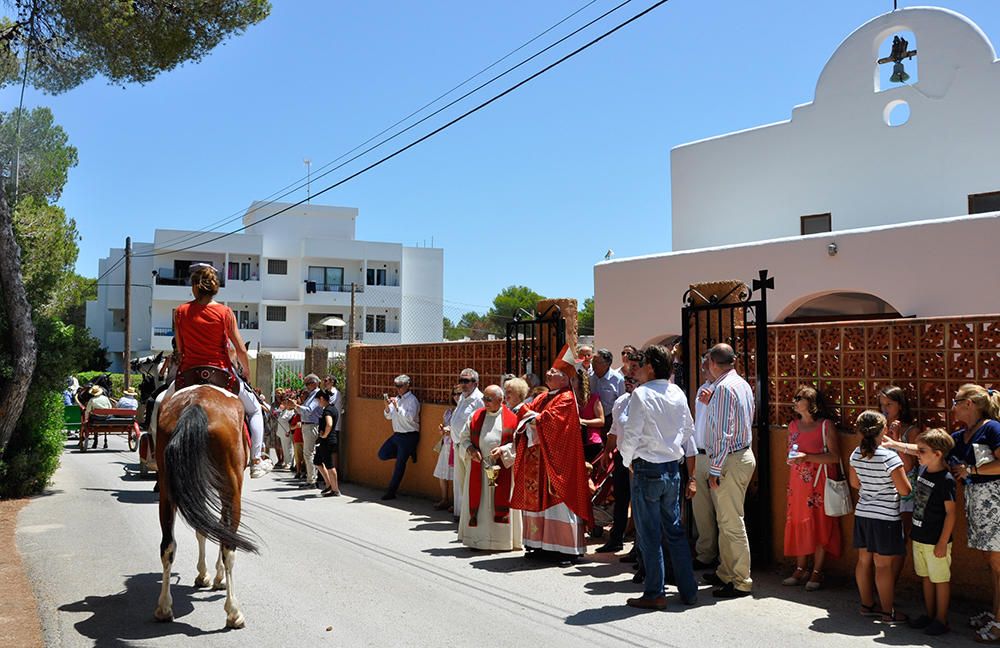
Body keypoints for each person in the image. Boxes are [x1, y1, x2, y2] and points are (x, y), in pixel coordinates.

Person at [162, 264, 271, 478]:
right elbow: (240, 349)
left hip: (189, 374)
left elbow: (181, 349)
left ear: (195, 287)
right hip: (221, 374)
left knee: (161, 407)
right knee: (255, 410)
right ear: (214, 288)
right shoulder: (225, 312)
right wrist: (246, 372)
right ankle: (257, 459)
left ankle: (159, 458)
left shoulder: (181, 312)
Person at [619, 344, 698, 610]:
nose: (636, 369)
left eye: (640, 364)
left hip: (648, 467)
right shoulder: (677, 392)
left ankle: (655, 592)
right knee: (674, 531)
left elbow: (631, 433)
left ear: (651, 366)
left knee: (649, 534)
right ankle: (689, 590)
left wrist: (626, 460)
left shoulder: (641, 395)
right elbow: (688, 428)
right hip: (671, 469)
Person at [508, 351, 593, 565]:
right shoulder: (543, 396)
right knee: (539, 501)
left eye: (553, 371)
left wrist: (529, 414)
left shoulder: (566, 398)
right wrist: (529, 415)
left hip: (559, 462)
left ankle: (565, 550)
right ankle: (539, 545)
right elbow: (530, 415)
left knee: (559, 502)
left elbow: (547, 421)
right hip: (539, 459)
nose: (548, 373)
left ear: (565, 377)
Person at [700, 343, 755, 598]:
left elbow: (724, 434)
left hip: (729, 459)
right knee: (726, 520)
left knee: (731, 522)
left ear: (712, 362)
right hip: (740, 456)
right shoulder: (741, 384)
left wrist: (714, 469)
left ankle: (741, 580)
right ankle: (726, 572)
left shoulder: (723, 388)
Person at [848, 410, 911, 625]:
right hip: (885, 517)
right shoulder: (889, 457)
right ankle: (887, 612)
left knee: (863, 562)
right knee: (883, 566)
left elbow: (855, 484)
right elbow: (904, 490)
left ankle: (867, 605)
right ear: (883, 430)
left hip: (863, 514)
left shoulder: (856, 453)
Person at [783, 386, 842, 591]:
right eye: (795, 397)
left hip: (820, 483)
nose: (795, 400)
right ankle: (800, 568)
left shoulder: (826, 426)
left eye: (800, 398)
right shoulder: (792, 426)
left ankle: (817, 571)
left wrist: (807, 458)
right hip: (799, 484)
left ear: (811, 403)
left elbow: (835, 457)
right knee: (799, 522)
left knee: (820, 524)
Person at [458, 385, 522, 551]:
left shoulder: (512, 419)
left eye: (489, 399)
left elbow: (518, 444)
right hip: (478, 467)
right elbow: (463, 438)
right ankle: (476, 539)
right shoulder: (475, 416)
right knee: (480, 503)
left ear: (501, 401)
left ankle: (502, 542)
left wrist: (503, 450)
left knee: (498, 502)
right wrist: (471, 450)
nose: (484, 402)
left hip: (501, 468)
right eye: (484, 398)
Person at [907, 429, 956, 636]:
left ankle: (941, 619)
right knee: (926, 577)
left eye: (922, 451)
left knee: (940, 579)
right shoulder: (924, 470)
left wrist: (943, 542)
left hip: (936, 539)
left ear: (937, 454)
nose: (918, 454)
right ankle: (929, 614)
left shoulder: (945, 480)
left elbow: (951, 514)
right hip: (920, 535)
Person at [879, 384, 921, 582]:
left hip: (905, 491)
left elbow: (909, 466)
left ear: (900, 406)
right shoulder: (878, 429)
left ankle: (891, 584)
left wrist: (896, 440)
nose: (885, 408)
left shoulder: (911, 431)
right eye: (882, 404)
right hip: (883, 490)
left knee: (900, 539)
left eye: (889, 404)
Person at [594, 371, 637, 554]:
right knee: (621, 499)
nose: (627, 382)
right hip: (621, 457)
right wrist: (606, 453)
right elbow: (613, 430)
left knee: (637, 502)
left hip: (638, 458)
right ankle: (616, 539)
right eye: (626, 379)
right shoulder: (621, 401)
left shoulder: (643, 400)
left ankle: (638, 545)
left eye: (631, 379)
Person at [690, 353, 718, 570]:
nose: (703, 371)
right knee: (701, 508)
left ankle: (722, 555)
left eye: (705, 366)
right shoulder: (702, 390)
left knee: (721, 508)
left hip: (716, 454)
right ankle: (705, 553)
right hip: (700, 454)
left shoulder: (723, 389)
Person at [447, 369, 483, 517]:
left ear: (475, 383)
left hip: (469, 447)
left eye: (466, 381)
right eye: (461, 380)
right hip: (457, 445)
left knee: (468, 482)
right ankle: (460, 513)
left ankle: (469, 514)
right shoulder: (462, 397)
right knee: (459, 482)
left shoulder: (479, 399)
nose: (463, 384)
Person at [378, 374, 420, 500]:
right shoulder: (398, 398)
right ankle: (408, 452)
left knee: (399, 465)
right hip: (397, 435)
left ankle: (391, 491)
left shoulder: (412, 400)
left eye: (400, 386)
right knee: (382, 454)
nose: (398, 389)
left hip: (409, 435)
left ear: (407, 385)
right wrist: (387, 405)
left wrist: (397, 407)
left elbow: (410, 418)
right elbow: (388, 416)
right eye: (396, 386)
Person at [433, 387, 461, 511]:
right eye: (454, 394)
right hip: (446, 444)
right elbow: (444, 426)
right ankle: (444, 499)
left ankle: (456, 502)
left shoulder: (464, 411)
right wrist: (442, 429)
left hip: (457, 445)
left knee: (457, 475)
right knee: (442, 473)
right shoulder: (449, 411)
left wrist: (452, 432)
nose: (456, 396)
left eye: (459, 394)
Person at [295, 375, 323, 487]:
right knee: (308, 453)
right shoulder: (311, 395)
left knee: (309, 453)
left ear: (315, 383)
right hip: (308, 425)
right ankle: (310, 479)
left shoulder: (317, 394)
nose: (306, 386)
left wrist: (296, 406)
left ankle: (312, 480)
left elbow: (309, 410)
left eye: (308, 383)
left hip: (312, 425)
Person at [314, 389, 341, 497]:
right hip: (326, 440)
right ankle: (329, 484)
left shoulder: (328, 411)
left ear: (321, 398)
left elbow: (329, 424)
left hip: (327, 441)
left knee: (329, 465)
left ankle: (335, 490)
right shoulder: (332, 408)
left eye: (318, 401)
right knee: (317, 461)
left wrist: (324, 435)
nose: (318, 403)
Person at [576, 368, 605, 464]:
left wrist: (582, 421)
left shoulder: (593, 398)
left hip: (591, 442)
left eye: (573, 379)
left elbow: (601, 421)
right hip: (575, 443)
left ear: (580, 382)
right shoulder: (569, 400)